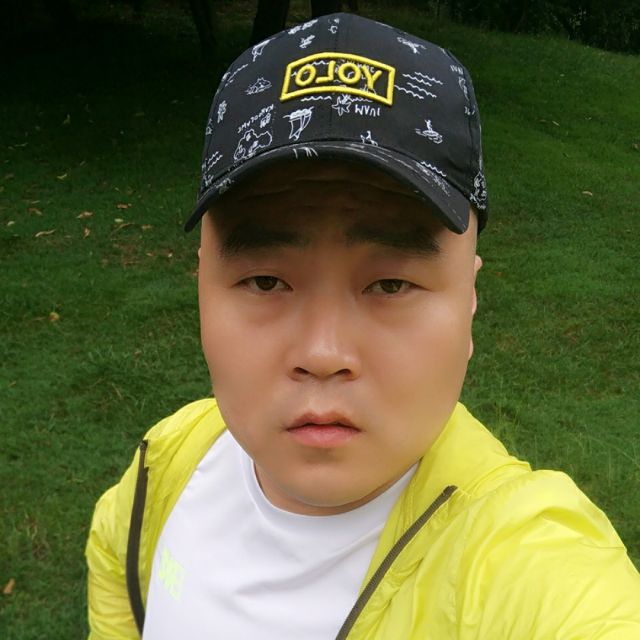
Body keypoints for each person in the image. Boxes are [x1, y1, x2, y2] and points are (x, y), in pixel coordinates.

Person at [85, 12, 640, 639]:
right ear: (202, 286)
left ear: (470, 297)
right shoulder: (158, 475)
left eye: (391, 285)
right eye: (265, 281)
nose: (323, 353)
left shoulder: (529, 571)